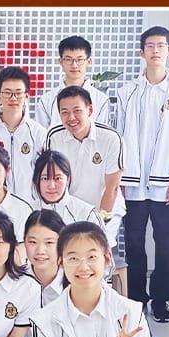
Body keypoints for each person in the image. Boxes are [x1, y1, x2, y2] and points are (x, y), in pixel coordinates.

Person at [116, 26, 169, 323]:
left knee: (166, 246)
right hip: (133, 184)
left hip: (165, 186)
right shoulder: (127, 92)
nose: (155, 50)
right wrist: (121, 179)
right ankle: (137, 298)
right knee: (134, 244)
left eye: (161, 45)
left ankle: (161, 299)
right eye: (150, 45)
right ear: (142, 52)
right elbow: (119, 138)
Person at [29, 221, 158, 337]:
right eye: (73, 258)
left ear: (107, 259)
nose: (83, 267)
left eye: (91, 257)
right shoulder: (44, 320)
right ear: (61, 263)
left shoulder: (130, 312)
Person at [45, 86, 127, 290]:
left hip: (104, 210)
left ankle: (100, 297)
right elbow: (51, 181)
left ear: (90, 110)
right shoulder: (54, 136)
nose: (70, 117)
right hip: (68, 209)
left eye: (77, 110)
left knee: (93, 251)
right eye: (64, 112)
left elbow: (112, 189)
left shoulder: (110, 138)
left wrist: (97, 224)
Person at [0, 66, 47, 204]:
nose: (13, 98)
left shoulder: (39, 133)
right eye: (7, 93)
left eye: (18, 93)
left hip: (29, 206)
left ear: (27, 96)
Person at [35, 36, 112, 128]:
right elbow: (42, 138)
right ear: (60, 61)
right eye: (68, 59)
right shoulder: (46, 100)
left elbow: (103, 136)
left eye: (79, 60)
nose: (74, 65)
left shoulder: (101, 100)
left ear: (88, 61)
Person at [23, 210, 69, 307]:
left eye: (49, 243)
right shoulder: (14, 279)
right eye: (33, 242)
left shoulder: (76, 280)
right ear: (24, 242)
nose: (40, 251)